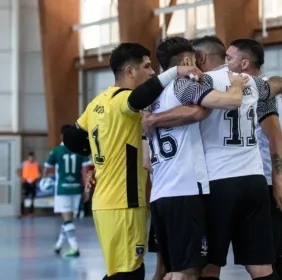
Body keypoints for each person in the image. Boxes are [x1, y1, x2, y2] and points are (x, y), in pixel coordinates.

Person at [143, 36, 282, 280]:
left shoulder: (200, 83)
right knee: (261, 267)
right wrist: (281, 83)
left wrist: (152, 120)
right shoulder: (248, 82)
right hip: (254, 181)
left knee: (210, 264)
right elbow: (274, 84)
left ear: (198, 59)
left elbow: (191, 112)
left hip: (218, 182)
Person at [63, 42, 204, 280]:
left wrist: (99, 160)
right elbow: (140, 96)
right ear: (129, 71)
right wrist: (175, 72)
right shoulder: (123, 100)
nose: (151, 72)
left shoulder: (97, 102)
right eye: (147, 67)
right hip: (123, 202)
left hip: (105, 203)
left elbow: (70, 138)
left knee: (125, 270)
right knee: (129, 273)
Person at [147, 36, 248, 280]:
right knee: (189, 272)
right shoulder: (184, 86)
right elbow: (231, 101)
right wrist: (236, 85)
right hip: (183, 191)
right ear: (186, 61)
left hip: (160, 192)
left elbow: (145, 161)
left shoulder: (151, 97)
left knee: (168, 270)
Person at [222, 38, 282, 280]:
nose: (225, 63)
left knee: (266, 262)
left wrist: (278, 179)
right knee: (270, 261)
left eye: (229, 58)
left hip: (271, 183)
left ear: (244, 63)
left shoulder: (259, 93)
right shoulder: (265, 87)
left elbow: (275, 138)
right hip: (271, 181)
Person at [42, 124, 92, 257]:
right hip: (76, 188)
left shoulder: (57, 150)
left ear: (61, 136)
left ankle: (74, 248)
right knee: (68, 219)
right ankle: (59, 244)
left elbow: (46, 168)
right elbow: (86, 171)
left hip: (63, 189)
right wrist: (87, 189)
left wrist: (44, 180)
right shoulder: (80, 150)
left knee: (67, 220)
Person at [17, 152, 40, 217]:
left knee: (32, 197)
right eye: (30, 157)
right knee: (23, 197)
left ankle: (31, 212)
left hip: (33, 182)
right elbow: (18, 170)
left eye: (32, 157)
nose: (31, 158)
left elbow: (38, 172)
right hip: (26, 182)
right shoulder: (24, 163)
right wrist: (21, 178)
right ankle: (22, 212)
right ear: (28, 157)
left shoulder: (36, 164)